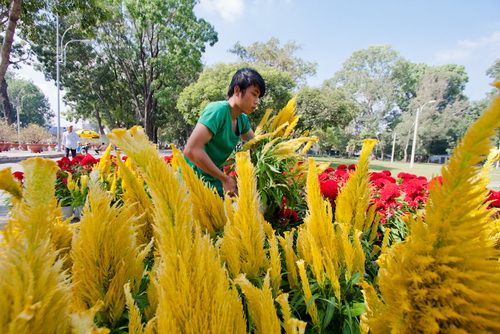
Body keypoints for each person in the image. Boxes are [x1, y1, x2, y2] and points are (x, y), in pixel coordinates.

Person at [183, 68, 266, 197]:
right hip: (191, 185)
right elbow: (191, 150)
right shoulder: (218, 110)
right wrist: (225, 179)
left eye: (258, 97)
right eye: (254, 94)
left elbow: (256, 145)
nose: (256, 102)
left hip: (214, 185)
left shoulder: (241, 119)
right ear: (237, 90)